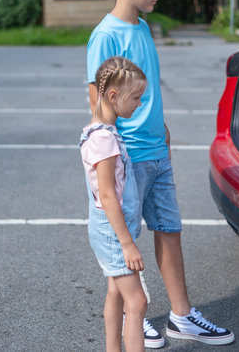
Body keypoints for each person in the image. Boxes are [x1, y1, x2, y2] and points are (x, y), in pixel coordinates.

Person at [86, 0, 235, 348]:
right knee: (125, 241)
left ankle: (182, 317)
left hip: (156, 150)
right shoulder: (105, 35)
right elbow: (96, 100)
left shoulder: (144, 28)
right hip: (129, 156)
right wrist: (114, 152)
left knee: (169, 230)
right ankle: (125, 323)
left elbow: (142, 91)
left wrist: (163, 127)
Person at [80, 56, 149, 352]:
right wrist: (127, 243)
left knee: (116, 293)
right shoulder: (104, 140)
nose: (138, 104)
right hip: (113, 233)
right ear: (112, 96)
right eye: (135, 98)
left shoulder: (99, 131)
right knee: (138, 302)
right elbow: (107, 195)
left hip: (112, 230)